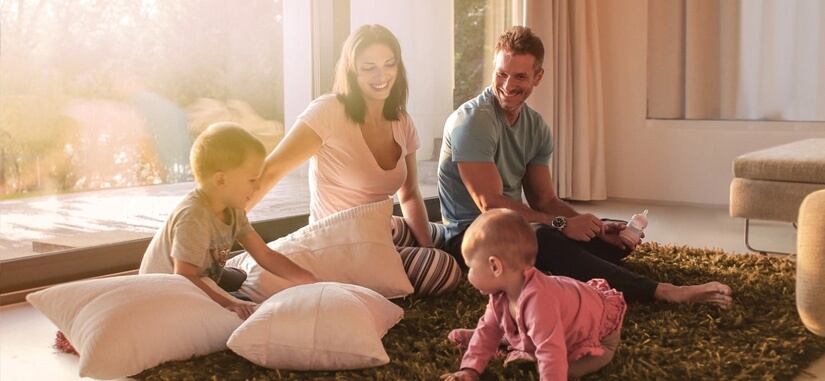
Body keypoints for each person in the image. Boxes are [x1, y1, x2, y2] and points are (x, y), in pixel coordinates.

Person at [437, 25, 732, 307]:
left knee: (603, 237)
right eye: (501, 74)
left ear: (537, 77)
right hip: (471, 241)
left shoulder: (536, 127)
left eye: (520, 77)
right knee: (547, 238)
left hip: (514, 231)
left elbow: (545, 199)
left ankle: (572, 258)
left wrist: (594, 228)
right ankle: (661, 291)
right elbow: (491, 206)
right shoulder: (473, 121)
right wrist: (562, 225)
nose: (508, 85)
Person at [246, 24, 460, 295]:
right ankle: (374, 269)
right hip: (341, 241)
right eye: (369, 67)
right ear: (352, 71)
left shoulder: (402, 121)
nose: (381, 75)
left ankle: (405, 252)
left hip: (381, 229)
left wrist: (426, 243)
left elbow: (408, 194)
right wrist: (225, 221)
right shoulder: (328, 111)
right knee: (443, 269)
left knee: (445, 238)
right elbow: (271, 170)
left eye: (389, 64)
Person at [139, 123, 317, 319]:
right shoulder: (193, 217)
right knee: (248, 309)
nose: (258, 186)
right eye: (252, 179)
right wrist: (230, 303)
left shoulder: (233, 210)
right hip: (169, 291)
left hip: (202, 276)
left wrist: (308, 279)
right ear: (221, 181)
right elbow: (183, 276)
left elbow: (264, 255)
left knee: (238, 279)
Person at [440, 209, 626, 381]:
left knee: (565, 368)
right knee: (494, 332)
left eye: (470, 267)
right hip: (557, 319)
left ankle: (515, 343)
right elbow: (488, 328)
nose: (468, 274)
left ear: (495, 266)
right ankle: (509, 340)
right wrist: (469, 370)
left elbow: (551, 351)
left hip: (600, 330)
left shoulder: (539, 302)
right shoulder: (500, 294)